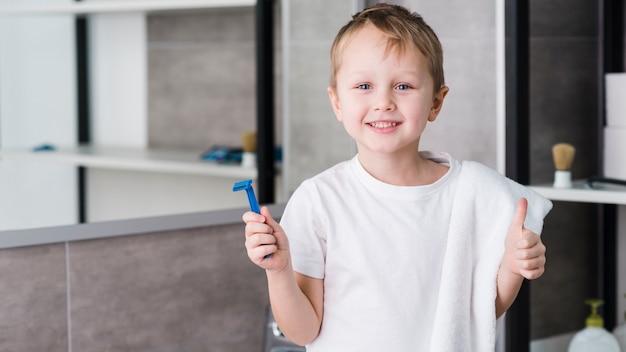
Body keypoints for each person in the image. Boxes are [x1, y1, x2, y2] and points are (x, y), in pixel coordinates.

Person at [242, 3, 552, 351]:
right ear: (337, 102)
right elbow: (303, 332)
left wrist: (512, 265)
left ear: (436, 102)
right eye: (363, 86)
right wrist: (280, 271)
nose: (383, 102)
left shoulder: (472, 194)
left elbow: (479, 313)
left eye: (403, 86)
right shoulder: (320, 200)